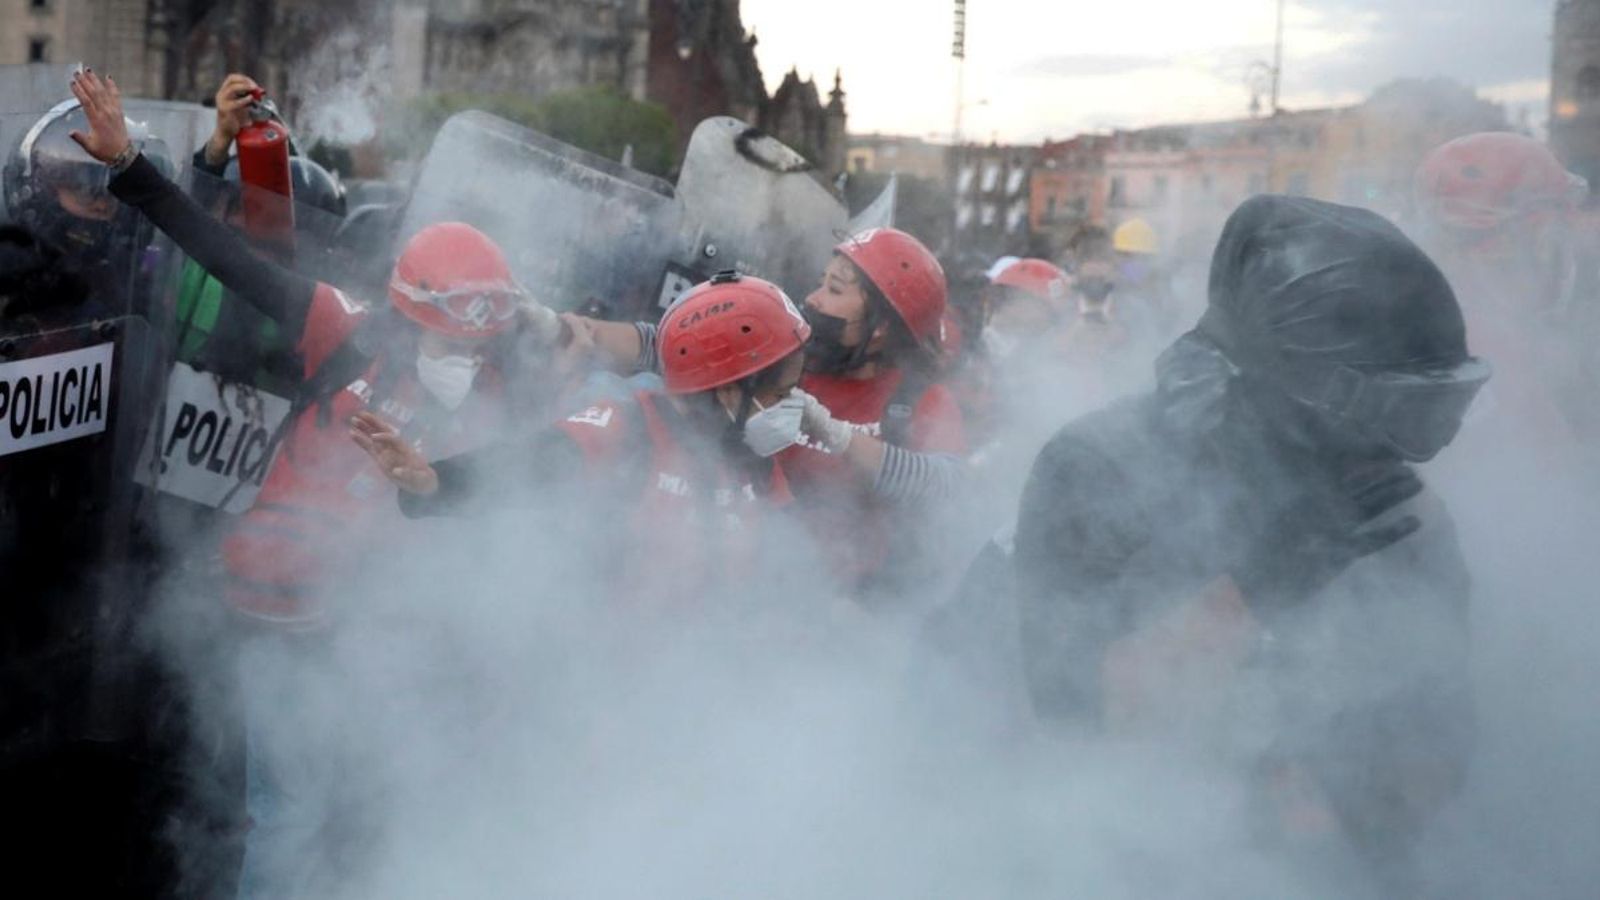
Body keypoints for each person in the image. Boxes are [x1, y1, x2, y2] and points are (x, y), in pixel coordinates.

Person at [67, 67, 570, 896]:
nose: (462, 359)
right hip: (276, 610)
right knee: (288, 807)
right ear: (406, 319)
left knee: (371, 804)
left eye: (477, 346)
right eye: (445, 341)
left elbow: (522, 503)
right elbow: (226, 253)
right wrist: (130, 167)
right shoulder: (345, 327)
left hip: (378, 633)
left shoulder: (502, 405)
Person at [1011, 195, 1486, 890]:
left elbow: (1445, 721)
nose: (1397, 448)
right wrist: (1257, 587)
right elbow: (1074, 714)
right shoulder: (1100, 468)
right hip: (1149, 859)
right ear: (1293, 384)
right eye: (1375, 410)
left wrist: (1350, 802)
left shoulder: (1391, 499)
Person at [553, 228, 969, 602]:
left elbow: (947, 484)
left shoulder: (917, 401)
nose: (813, 298)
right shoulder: (789, 348)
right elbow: (679, 345)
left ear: (879, 327)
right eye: (820, 282)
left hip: (842, 602)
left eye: (835, 290)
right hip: (743, 578)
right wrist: (574, 332)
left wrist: (832, 433)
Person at [353, 271, 811, 609]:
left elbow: (789, 569)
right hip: (606, 701)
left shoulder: (752, 454)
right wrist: (435, 483)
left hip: (709, 705)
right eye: (782, 392)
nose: (794, 405)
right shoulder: (630, 428)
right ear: (729, 387)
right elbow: (531, 465)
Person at [1413, 131, 1594, 445]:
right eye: (1549, 234)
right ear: (1496, 248)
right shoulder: (1471, 357)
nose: (1567, 241)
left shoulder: (1541, 326)